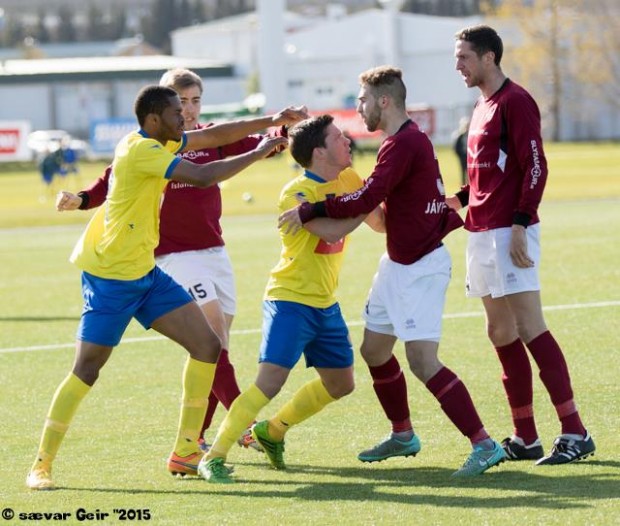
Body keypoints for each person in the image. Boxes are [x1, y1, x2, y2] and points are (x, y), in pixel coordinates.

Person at [26, 84, 306, 490]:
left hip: (145, 274)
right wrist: (261, 150)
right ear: (154, 119)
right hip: (109, 278)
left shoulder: (161, 139)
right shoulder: (142, 150)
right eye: (177, 112)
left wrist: (273, 120)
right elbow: (205, 174)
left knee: (208, 346)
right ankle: (41, 464)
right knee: (87, 370)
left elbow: (212, 136)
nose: (184, 119)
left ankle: (185, 452)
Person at [279, 66, 506, 477]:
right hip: (397, 263)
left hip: (420, 266)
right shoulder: (402, 141)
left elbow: (367, 197)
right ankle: (403, 435)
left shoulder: (403, 144)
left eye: (362, 99)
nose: (358, 107)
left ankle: (484, 444)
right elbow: (398, 202)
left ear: (384, 101)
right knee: (374, 351)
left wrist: (311, 208)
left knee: (422, 362)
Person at [197, 114, 385, 483]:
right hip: (289, 300)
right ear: (319, 152)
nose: (347, 140)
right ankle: (214, 457)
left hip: (324, 302)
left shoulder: (347, 178)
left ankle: (273, 430)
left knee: (341, 383)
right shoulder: (296, 193)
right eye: (337, 137)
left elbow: (379, 223)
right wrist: (367, 201)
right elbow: (330, 232)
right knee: (269, 382)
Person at [449, 24, 594, 465]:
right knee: (500, 331)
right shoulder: (480, 105)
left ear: (489, 57)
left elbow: (535, 165)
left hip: (509, 230)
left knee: (531, 326)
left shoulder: (516, 101)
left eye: (465, 58)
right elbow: (482, 176)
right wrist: (451, 202)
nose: (458, 65)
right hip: (481, 230)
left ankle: (575, 432)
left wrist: (520, 222)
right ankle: (525, 435)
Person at [452, 116, 469, 185]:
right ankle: (463, 185)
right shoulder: (460, 136)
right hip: (463, 157)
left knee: (470, 172)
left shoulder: (471, 134)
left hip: (470, 157)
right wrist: (461, 155)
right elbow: (456, 148)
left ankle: (470, 184)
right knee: (462, 172)